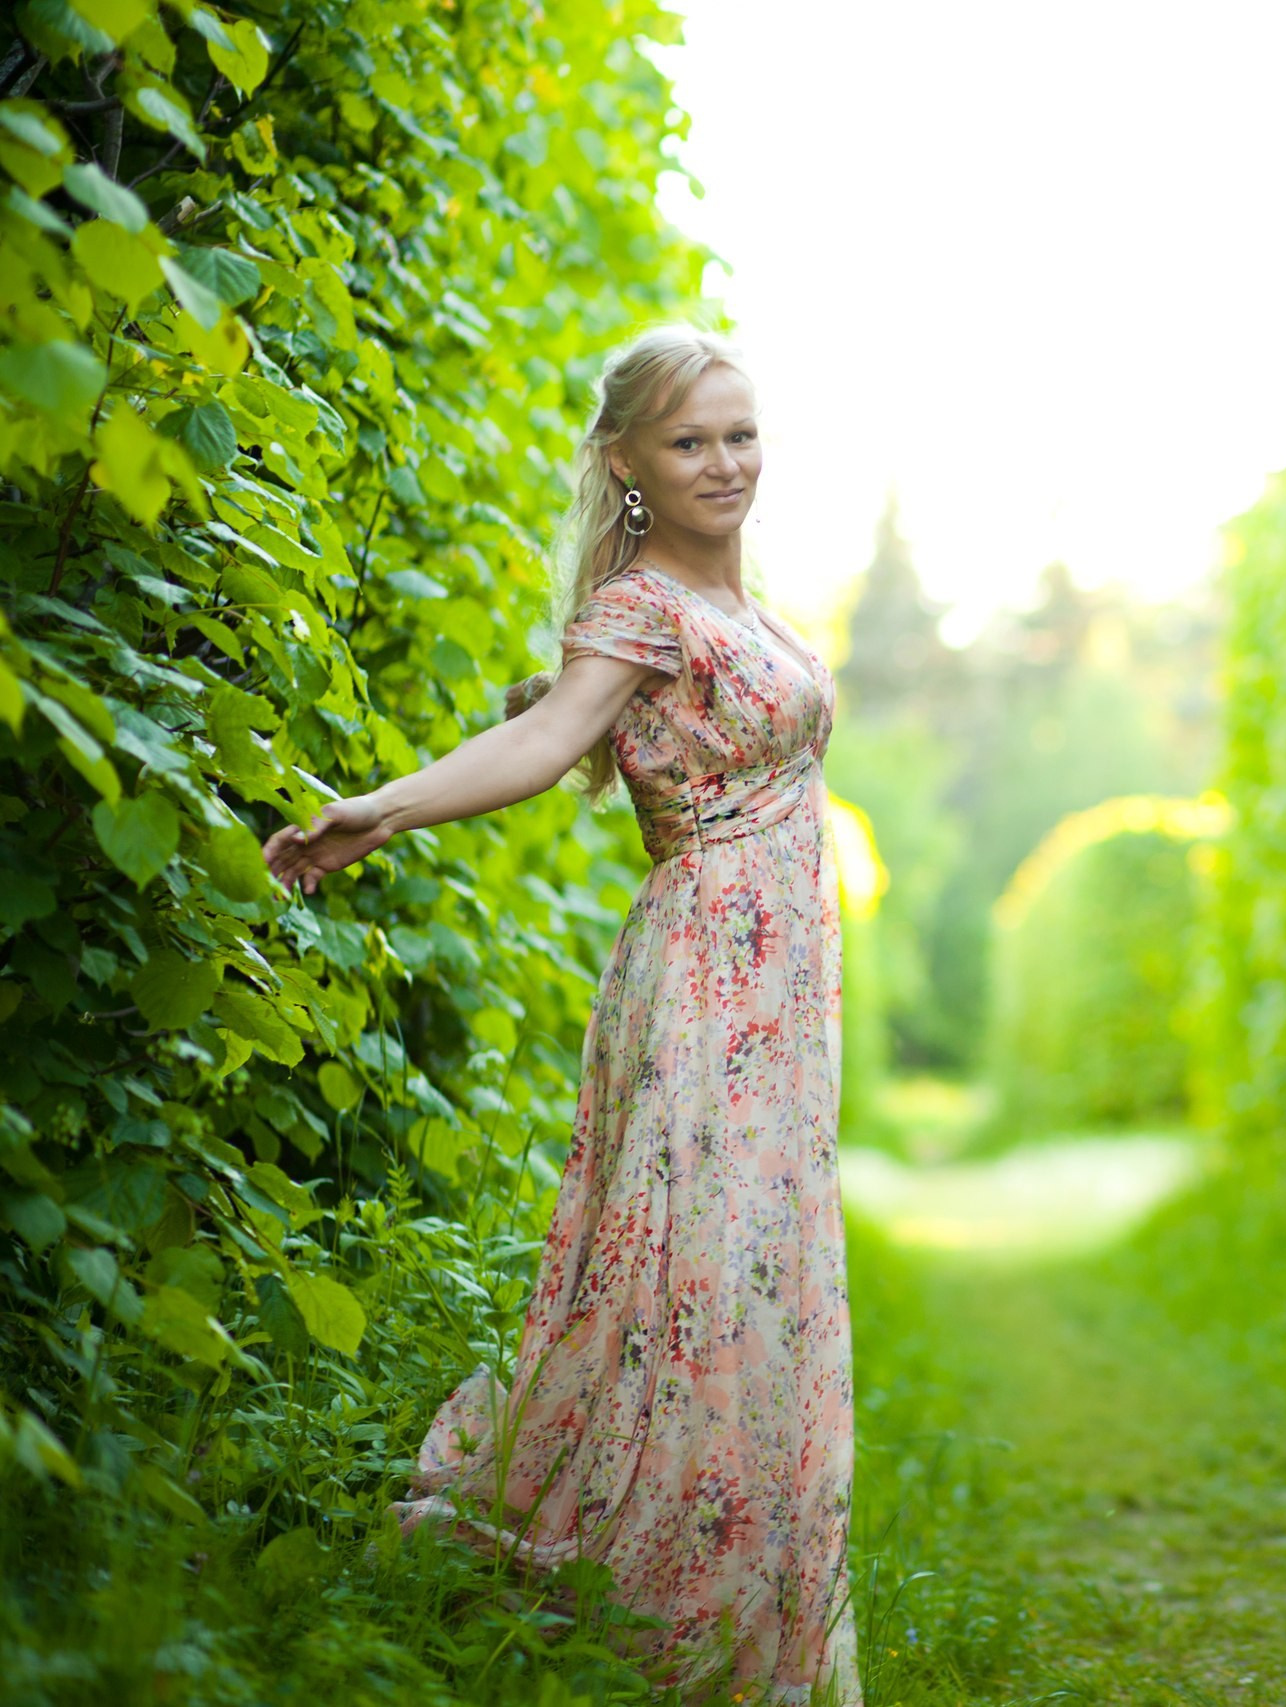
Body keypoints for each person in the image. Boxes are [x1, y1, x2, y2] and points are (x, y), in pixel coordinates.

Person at [262, 325, 861, 1706]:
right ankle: (660, 1594)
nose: (726, 463)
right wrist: (385, 810)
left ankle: (752, 1590)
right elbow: (541, 743)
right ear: (628, 463)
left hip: (781, 990)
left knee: (758, 1275)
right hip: (711, 978)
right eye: (691, 440)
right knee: (696, 1269)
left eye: (741, 434)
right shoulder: (641, 606)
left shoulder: (746, 601)